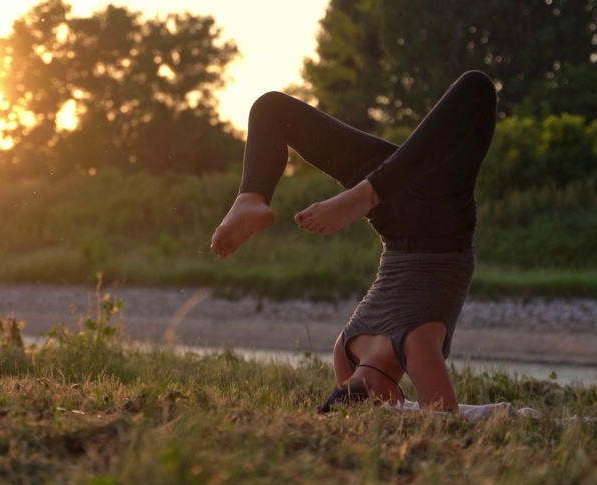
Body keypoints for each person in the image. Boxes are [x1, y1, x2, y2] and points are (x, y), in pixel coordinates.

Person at [210, 70, 498, 413]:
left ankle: (365, 193)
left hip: (442, 219)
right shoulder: (344, 351)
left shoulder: (417, 346)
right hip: (394, 207)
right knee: (272, 109)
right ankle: (252, 196)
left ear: (386, 400)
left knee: (478, 90)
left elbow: (445, 420)